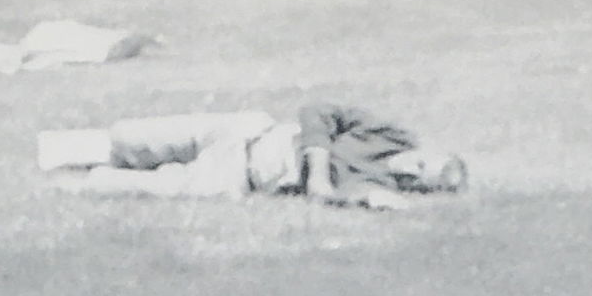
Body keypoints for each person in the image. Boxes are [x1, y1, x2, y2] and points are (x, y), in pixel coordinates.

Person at [35, 98, 467, 209]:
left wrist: (375, 201)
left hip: (249, 172)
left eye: (421, 179)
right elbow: (319, 110)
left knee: (159, 186)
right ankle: (47, 151)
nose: (413, 168)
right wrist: (318, 166)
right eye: (424, 162)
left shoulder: (379, 183)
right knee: (134, 137)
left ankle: (65, 185)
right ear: (425, 149)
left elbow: (338, 196)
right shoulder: (391, 134)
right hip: (254, 131)